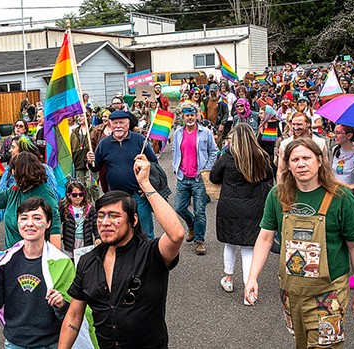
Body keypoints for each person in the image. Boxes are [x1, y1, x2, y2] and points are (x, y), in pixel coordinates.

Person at [245, 137, 354, 349]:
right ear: (287, 165)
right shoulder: (277, 195)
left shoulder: (341, 197)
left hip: (329, 293)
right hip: (291, 293)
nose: (301, 164)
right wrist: (252, 278)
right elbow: (265, 237)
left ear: (320, 161)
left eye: (306, 158)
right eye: (294, 159)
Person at [58, 154, 184, 349]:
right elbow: (74, 315)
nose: (105, 222)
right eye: (101, 216)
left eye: (114, 216)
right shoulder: (87, 261)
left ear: (133, 220)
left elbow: (176, 234)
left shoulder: (151, 254)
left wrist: (145, 184)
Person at [0, 197, 74, 349]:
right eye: (24, 218)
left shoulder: (61, 263)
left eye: (37, 218)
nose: (29, 223)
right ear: (18, 223)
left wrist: (61, 305)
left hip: (51, 343)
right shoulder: (5, 260)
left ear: (48, 223)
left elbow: (73, 314)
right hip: (15, 342)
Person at [209, 124, 272, 305]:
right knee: (249, 248)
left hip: (230, 206)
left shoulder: (228, 156)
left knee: (230, 243)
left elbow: (214, 177)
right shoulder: (260, 156)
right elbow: (269, 176)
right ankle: (249, 289)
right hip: (254, 206)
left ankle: (228, 279)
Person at [86, 110, 158, 240]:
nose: (118, 126)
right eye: (115, 123)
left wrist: (147, 186)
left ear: (128, 124)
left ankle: (149, 257)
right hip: (117, 197)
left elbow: (154, 164)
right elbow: (95, 167)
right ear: (110, 124)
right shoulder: (104, 144)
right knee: (121, 231)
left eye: (121, 123)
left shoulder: (139, 140)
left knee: (146, 231)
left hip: (139, 195)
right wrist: (90, 161)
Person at [0, 152, 62, 249]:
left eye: (13, 168)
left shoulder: (45, 193)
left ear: (22, 171)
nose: (11, 172)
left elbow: (54, 227)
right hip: (12, 254)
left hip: (34, 256)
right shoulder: (17, 188)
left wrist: (55, 260)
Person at [172, 103, 218, 255]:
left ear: (197, 115)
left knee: (200, 211)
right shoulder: (178, 132)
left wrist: (207, 169)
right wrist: (175, 166)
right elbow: (175, 151)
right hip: (183, 177)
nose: (190, 117)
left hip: (199, 178)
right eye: (187, 115)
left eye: (192, 114)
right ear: (182, 117)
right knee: (179, 207)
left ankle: (199, 240)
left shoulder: (205, 132)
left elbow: (214, 151)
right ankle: (192, 226)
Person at [0, 135, 60, 226]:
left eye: (13, 147)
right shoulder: (9, 171)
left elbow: (52, 201)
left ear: (22, 149)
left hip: (36, 225)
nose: (10, 150)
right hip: (13, 222)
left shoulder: (44, 170)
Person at [277, 112, 329, 183]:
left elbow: (326, 168)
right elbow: (281, 170)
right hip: (291, 185)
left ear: (308, 124)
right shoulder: (285, 144)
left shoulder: (319, 143)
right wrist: (280, 189)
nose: (295, 127)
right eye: (293, 124)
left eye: (299, 124)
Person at [59, 181, 100, 259]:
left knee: (85, 261)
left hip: (86, 241)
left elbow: (95, 225)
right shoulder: (65, 209)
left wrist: (98, 237)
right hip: (70, 242)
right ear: (69, 195)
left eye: (81, 194)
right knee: (71, 262)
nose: (78, 197)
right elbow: (58, 223)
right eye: (74, 195)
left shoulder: (90, 209)